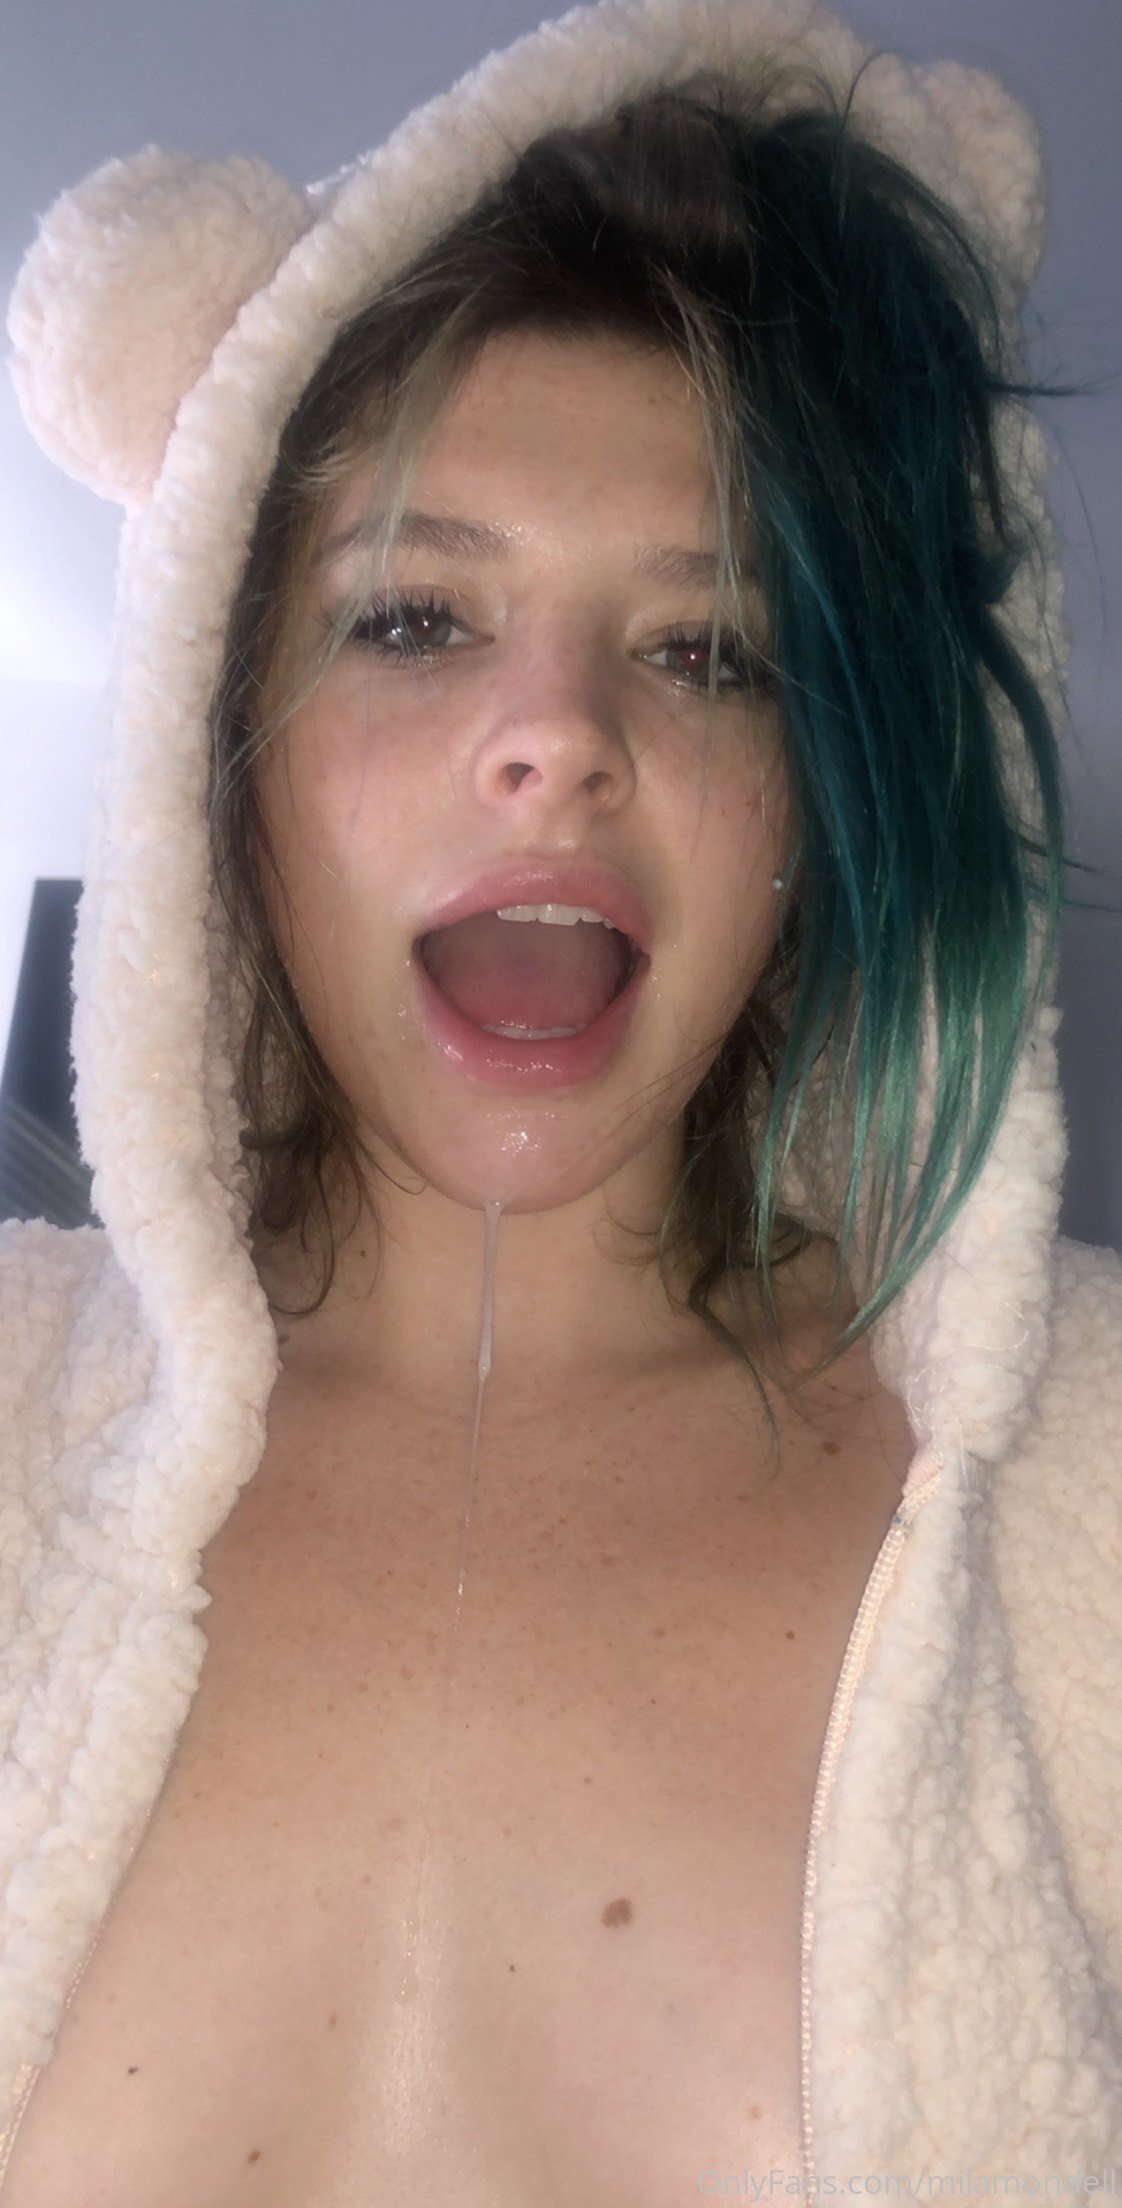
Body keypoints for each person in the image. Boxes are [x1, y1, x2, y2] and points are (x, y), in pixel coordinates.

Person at [1, 0, 1120, 2196]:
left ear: (815, 814)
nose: (562, 738)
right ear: (219, 753)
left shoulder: (1096, 1477)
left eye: (705, 651)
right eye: (416, 618)